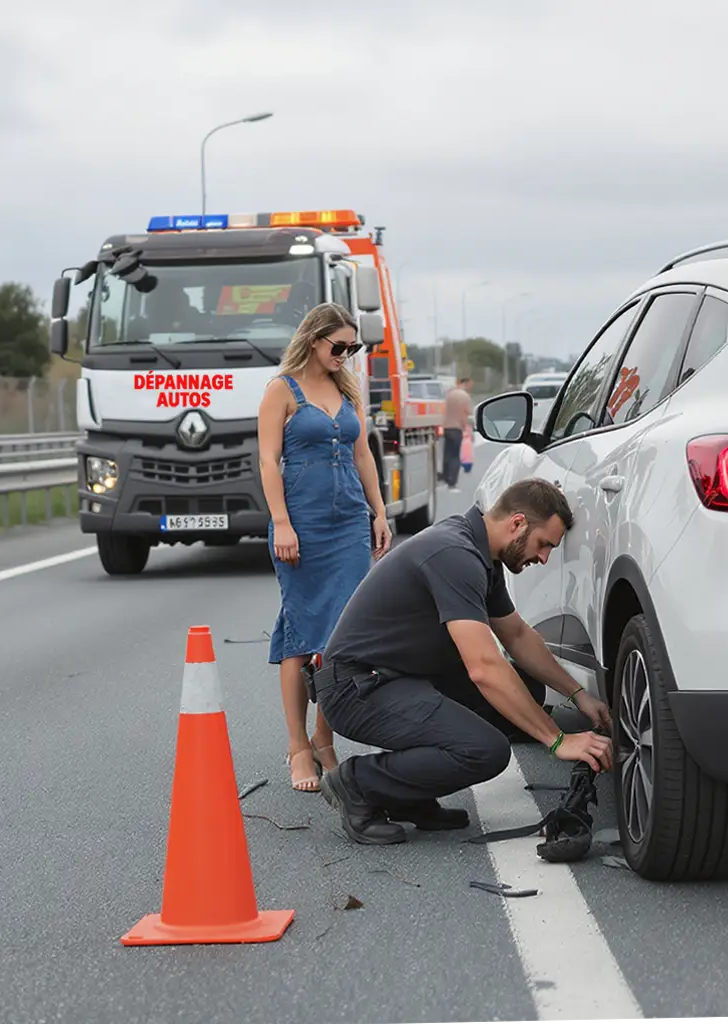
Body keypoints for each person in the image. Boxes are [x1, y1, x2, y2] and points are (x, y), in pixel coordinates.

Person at [311, 477, 614, 844]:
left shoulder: (480, 553)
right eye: (543, 544)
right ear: (517, 523)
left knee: (526, 691)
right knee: (485, 751)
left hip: (398, 676)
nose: (544, 557)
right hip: (357, 688)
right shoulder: (454, 555)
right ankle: (359, 783)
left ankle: (408, 795)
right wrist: (557, 740)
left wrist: (578, 694)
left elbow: (517, 636)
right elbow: (483, 668)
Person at [258, 302, 394, 793]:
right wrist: (281, 523)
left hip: (349, 528)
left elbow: (363, 455)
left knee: (342, 638)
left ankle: (324, 738)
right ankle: (298, 747)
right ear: (313, 340)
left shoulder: (347, 390)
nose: (346, 354)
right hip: (303, 527)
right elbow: (269, 463)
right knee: (301, 633)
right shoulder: (281, 390)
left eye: (352, 347)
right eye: (339, 346)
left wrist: (379, 512)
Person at [441, 376, 473, 491]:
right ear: (466, 383)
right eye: (470, 384)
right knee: (455, 456)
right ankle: (452, 481)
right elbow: (467, 412)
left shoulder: (450, 394)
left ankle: (445, 476)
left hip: (446, 427)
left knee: (447, 454)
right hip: (457, 428)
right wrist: (467, 428)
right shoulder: (464, 396)